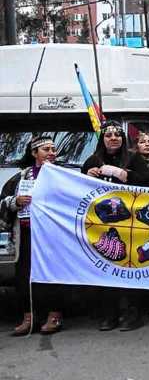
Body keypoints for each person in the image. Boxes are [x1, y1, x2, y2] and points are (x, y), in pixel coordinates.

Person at [82, 120, 149, 331]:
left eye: (117, 135)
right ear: (103, 139)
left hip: (130, 223)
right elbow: (79, 190)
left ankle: (133, 313)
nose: (113, 138)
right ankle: (109, 314)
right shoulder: (92, 160)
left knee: (129, 267)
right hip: (101, 226)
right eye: (108, 135)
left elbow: (148, 183)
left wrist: (124, 174)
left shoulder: (133, 157)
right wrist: (87, 176)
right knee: (106, 267)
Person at [1, 136, 64, 335]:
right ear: (34, 153)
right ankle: (29, 317)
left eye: (54, 149)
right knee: (24, 274)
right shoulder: (20, 177)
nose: (52, 152)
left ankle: (54, 315)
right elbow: (3, 201)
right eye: (46, 149)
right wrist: (16, 201)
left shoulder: (63, 176)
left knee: (52, 274)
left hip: (52, 235)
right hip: (27, 233)